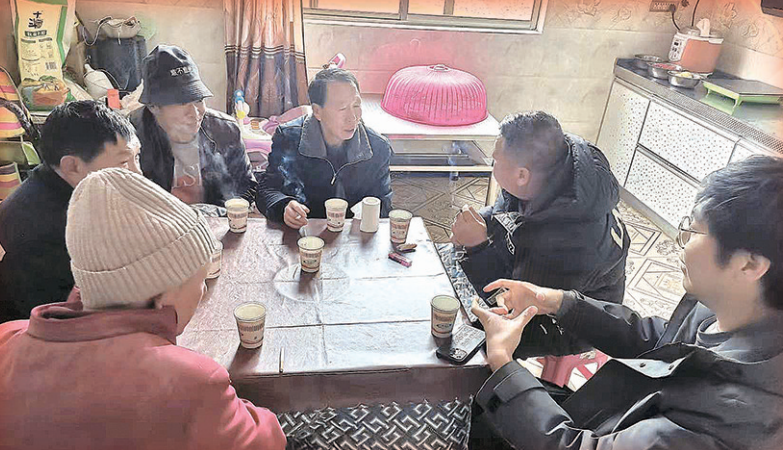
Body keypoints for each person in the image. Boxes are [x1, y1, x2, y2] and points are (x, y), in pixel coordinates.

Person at [469, 155, 783, 450]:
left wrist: (504, 361)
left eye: (694, 229)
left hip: (595, 435)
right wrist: (557, 301)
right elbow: (659, 342)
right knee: (484, 397)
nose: (682, 241)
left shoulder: (728, 418)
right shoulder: (726, 305)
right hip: (611, 415)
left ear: (749, 265)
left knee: (486, 401)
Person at [0, 168, 286, 450]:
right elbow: (267, 441)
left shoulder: (6, 338)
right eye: (199, 281)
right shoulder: (191, 382)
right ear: (161, 296)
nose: (201, 293)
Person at [452, 111, 629, 357]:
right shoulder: (554, 165)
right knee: (449, 271)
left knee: (466, 339)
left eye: (496, 160)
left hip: (570, 323)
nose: (493, 164)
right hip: (543, 276)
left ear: (521, 175)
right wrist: (478, 221)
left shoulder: (568, 242)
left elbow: (514, 304)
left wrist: (477, 248)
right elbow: (506, 211)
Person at [0, 100, 141, 322]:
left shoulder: (70, 185)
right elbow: (60, 318)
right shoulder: (40, 225)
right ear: (72, 166)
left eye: (137, 157)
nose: (137, 173)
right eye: (124, 162)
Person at [256, 68, 392, 229]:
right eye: (342, 108)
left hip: (352, 233)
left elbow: (384, 203)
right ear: (317, 111)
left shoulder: (377, 147)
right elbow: (267, 188)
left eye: (356, 105)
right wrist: (283, 205)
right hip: (303, 230)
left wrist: (367, 214)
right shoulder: (289, 137)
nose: (352, 117)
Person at [130, 44, 256, 207]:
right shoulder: (131, 136)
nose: (195, 113)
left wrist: (217, 212)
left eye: (199, 99)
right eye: (183, 103)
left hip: (215, 219)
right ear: (153, 106)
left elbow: (248, 189)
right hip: (156, 220)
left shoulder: (225, 130)